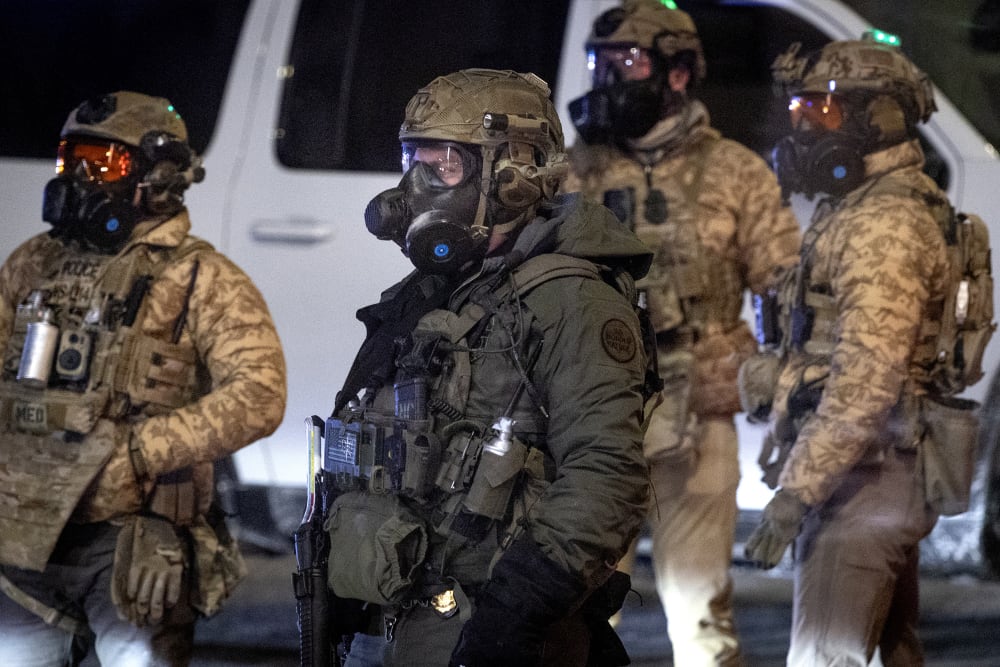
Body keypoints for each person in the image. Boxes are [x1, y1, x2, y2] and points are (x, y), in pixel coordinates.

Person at [323, 67, 653, 667]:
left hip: (481, 621)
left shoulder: (571, 300)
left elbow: (607, 473)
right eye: (413, 160)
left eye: (444, 165)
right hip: (394, 613)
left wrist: (515, 613)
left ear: (514, 176)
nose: (418, 185)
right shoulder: (431, 290)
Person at [0, 91, 287, 665]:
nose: (81, 179)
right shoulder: (35, 261)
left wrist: (137, 452)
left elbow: (260, 393)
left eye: (103, 164)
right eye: (72, 161)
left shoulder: (201, 275)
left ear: (158, 178)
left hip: (129, 541)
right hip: (23, 538)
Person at [561, 2, 801, 665]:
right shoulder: (576, 171)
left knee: (699, 613)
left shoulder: (735, 172)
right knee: (571, 609)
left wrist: (784, 394)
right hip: (592, 417)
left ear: (677, 74)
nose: (610, 79)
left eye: (628, 64)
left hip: (696, 419)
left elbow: (789, 290)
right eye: (599, 65)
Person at [743, 34, 976, 665]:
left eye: (822, 112)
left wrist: (796, 494)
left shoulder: (883, 223)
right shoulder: (868, 205)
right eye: (800, 113)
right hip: (878, 472)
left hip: (865, 481)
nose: (805, 129)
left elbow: (867, 379)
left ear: (880, 117)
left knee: (825, 655)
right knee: (892, 650)